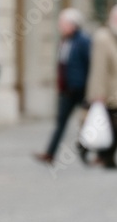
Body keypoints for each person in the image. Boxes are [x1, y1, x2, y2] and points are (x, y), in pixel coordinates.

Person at [35, 8, 91, 165]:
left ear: (73, 25)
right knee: (60, 122)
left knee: (86, 122)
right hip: (66, 90)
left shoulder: (84, 41)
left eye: (63, 23)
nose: (60, 26)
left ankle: (85, 151)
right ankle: (50, 153)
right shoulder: (64, 41)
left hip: (81, 89)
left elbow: (90, 64)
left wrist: (88, 88)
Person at [86, 4, 117, 169]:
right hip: (109, 92)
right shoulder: (103, 37)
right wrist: (98, 93)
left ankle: (107, 158)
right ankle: (103, 156)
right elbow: (99, 68)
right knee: (112, 128)